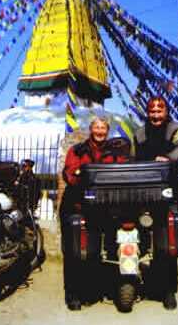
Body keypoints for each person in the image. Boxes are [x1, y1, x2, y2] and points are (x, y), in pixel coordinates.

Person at [59, 117, 130, 311]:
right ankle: (73, 293)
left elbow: (123, 171)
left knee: (109, 247)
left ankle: (105, 287)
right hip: (77, 206)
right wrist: (83, 176)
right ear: (91, 130)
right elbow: (69, 173)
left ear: (107, 131)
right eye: (96, 127)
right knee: (74, 252)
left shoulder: (115, 150)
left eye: (103, 128)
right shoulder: (78, 150)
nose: (100, 131)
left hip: (105, 208)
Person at [134, 96, 178, 310]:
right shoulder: (138, 133)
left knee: (167, 245)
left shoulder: (177, 129)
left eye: (160, 110)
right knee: (142, 240)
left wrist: (168, 158)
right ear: (147, 113)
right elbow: (132, 159)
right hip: (145, 194)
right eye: (152, 111)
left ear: (166, 111)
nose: (156, 115)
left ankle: (168, 291)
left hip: (171, 192)